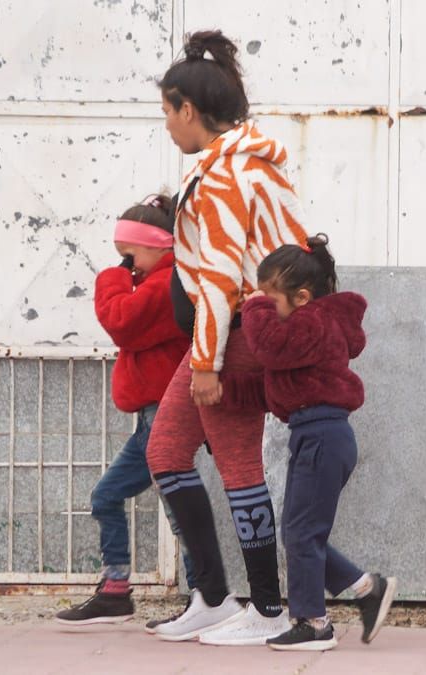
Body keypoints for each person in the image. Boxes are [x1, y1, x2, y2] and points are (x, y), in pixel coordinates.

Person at [145, 30, 309, 645]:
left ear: (190, 108)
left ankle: (267, 609)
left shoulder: (220, 179)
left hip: (232, 334)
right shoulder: (244, 167)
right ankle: (213, 597)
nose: (166, 125)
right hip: (228, 334)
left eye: (167, 111)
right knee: (165, 452)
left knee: (238, 463)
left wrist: (208, 362)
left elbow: (217, 279)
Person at [241, 235, 397, 651]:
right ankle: (367, 589)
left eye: (269, 297)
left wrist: (252, 305)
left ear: (303, 297)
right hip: (315, 434)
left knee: (302, 532)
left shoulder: (315, 322)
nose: (263, 305)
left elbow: (268, 347)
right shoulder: (308, 326)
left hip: (324, 435)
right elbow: (276, 386)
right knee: (299, 531)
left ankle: (314, 623)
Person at [54, 195, 196, 627]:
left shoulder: (167, 282)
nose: (126, 266)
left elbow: (122, 321)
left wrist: (111, 279)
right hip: (151, 416)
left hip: (164, 414)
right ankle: (116, 590)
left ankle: (206, 595)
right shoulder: (156, 279)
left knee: (177, 509)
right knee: (107, 496)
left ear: (157, 246)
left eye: (130, 255)